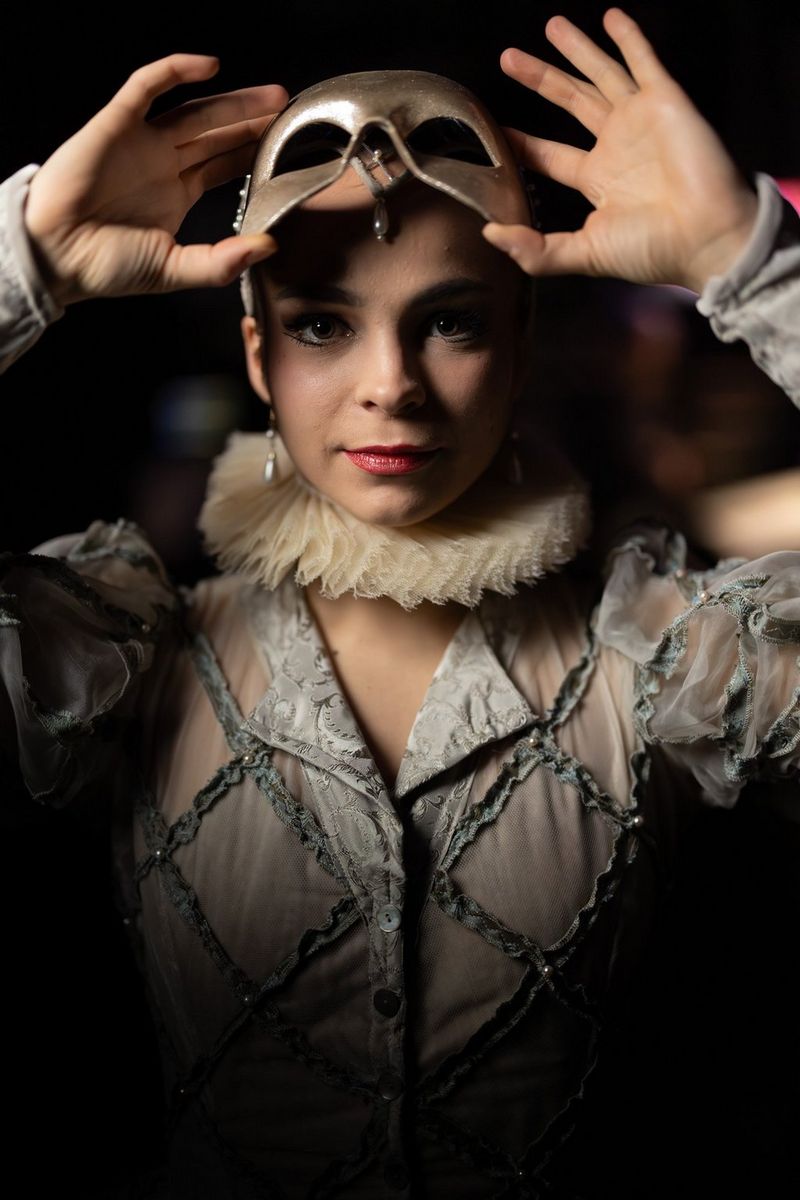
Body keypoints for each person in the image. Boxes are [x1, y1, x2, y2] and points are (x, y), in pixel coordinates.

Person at [1, 7, 799, 1198]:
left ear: (518, 345)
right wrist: (24, 264)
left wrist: (749, 258)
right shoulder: (128, 659)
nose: (391, 386)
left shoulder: (665, 661)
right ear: (260, 355)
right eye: (322, 324)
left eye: (451, 322)